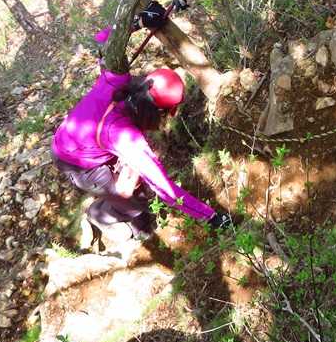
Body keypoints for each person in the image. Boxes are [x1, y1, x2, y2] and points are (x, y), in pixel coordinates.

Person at [52, 64, 232, 242]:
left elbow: (105, 52)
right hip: (78, 163)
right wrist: (211, 217)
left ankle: (137, 222)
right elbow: (163, 187)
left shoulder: (117, 79)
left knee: (135, 185)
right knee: (132, 202)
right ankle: (99, 215)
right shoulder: (123, 135)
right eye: (166, 113)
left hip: (80, 139)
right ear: (157, 111)